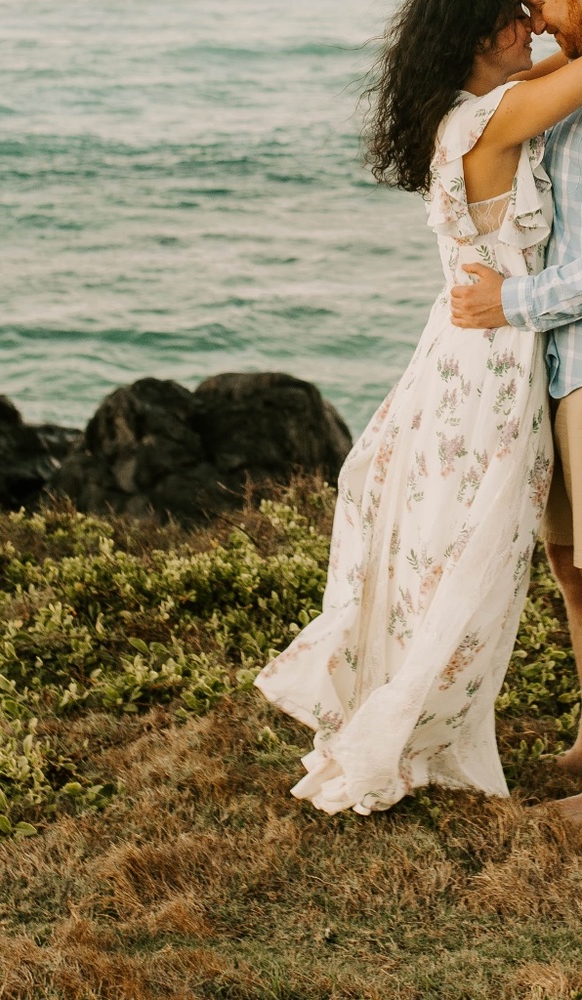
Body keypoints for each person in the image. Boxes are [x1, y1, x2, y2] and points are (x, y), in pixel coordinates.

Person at [255, 0, 582, 815]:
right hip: (497, 364)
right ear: (476, 39)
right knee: (481, 553)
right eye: (517, 16)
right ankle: (419, 713)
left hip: (467, 355)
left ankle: (410, 709)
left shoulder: (463, 112)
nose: (534, 25)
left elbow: (551, 65)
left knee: (462, 549)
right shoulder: (499, 117)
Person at [450, 0, 582, 787]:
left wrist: (512, 304)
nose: (536, 10)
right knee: (569, 564)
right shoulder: (555, 87)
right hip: (553, 368)